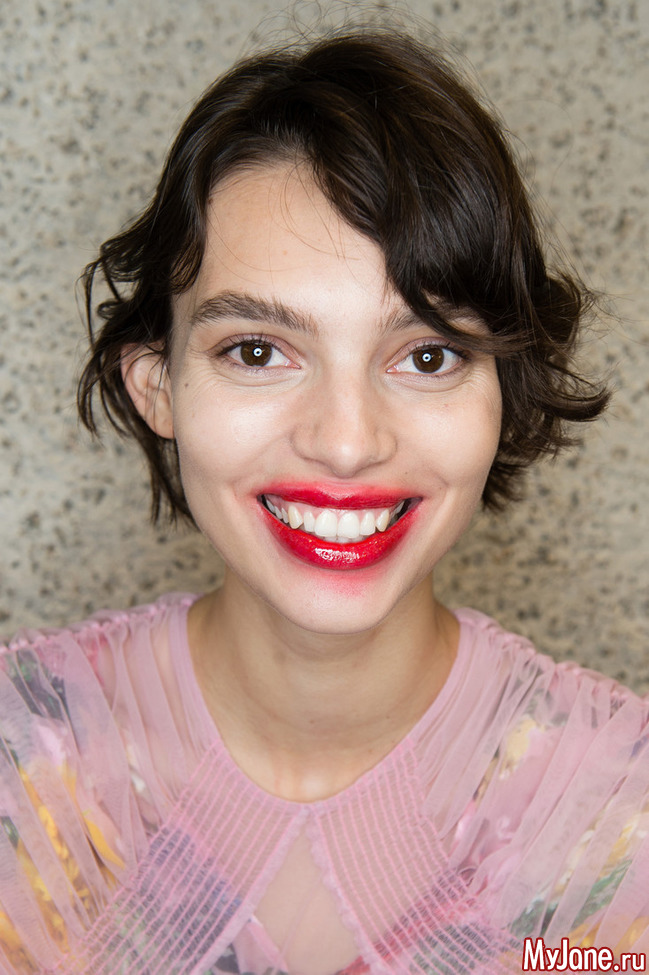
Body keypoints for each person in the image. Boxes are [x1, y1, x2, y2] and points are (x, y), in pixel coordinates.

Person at [0, 25, 647, 975]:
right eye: (258, 350)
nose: (346, 441)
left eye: (428, 355)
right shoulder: (17, 772)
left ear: (504, 394)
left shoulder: (621, 817)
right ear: (157, 385)